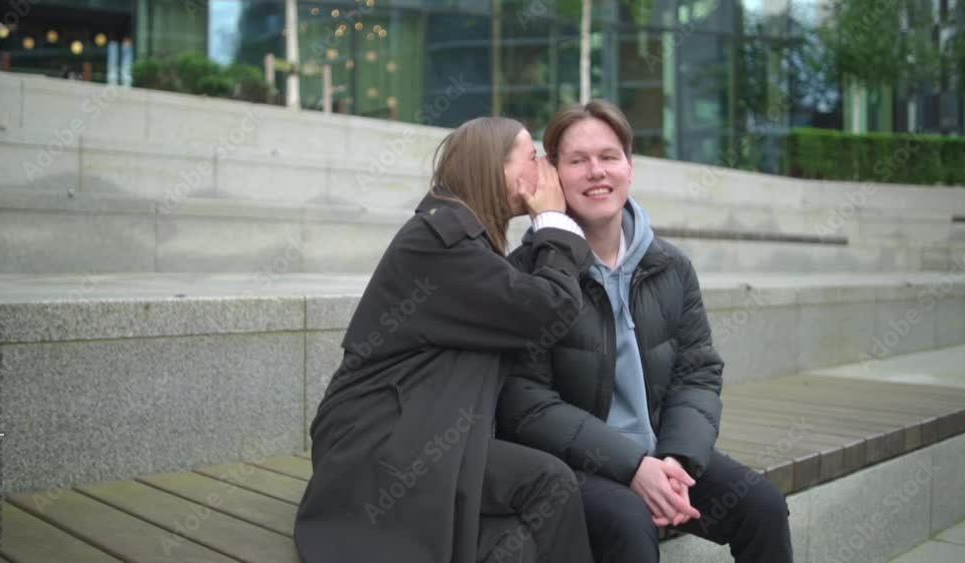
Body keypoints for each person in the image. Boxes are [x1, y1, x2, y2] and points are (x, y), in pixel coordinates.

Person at [497, 100, 793, 562]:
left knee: (763, 506)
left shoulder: (671, 267)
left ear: (629, 168)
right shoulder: (530, 275)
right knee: (630, 524)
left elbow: (697, 374)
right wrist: (632, 466)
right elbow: (527, 405)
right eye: (578, 161)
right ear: (552, 174)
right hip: (573, 464)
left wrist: (678, 459)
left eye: (609, 157)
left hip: (661, 453)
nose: (597, 172)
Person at [294, 117, 597, 563]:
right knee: (550, 482)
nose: (543, 166)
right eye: (531, 154)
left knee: (516, 545)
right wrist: (552, 218)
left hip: (415, 433)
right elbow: (548, 309)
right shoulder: (441, 242)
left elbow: (525, 299)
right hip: (380, 445)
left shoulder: (460, 238)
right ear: (494, 167)